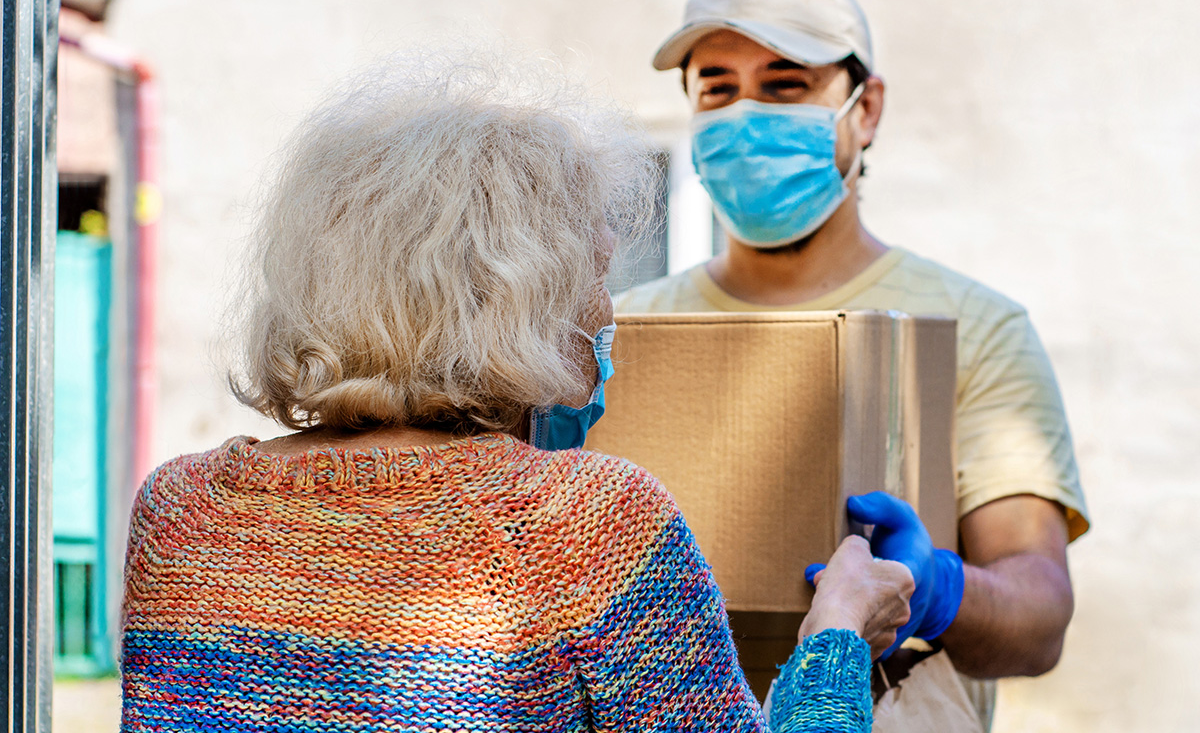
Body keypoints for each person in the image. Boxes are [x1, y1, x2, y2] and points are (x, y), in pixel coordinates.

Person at [119, 53, 918, 732]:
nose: (608, 311)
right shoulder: (587, 523)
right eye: (598, 276)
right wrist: (837, 637)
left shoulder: (180, 513)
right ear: (516, 301)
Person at [617, 0, 1091, 729]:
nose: (746, 114)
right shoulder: (620, 330)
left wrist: (940, 590)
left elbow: (1039, 623)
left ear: (864, 109)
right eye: (718, 89)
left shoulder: (974, 327)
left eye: (784, 85)